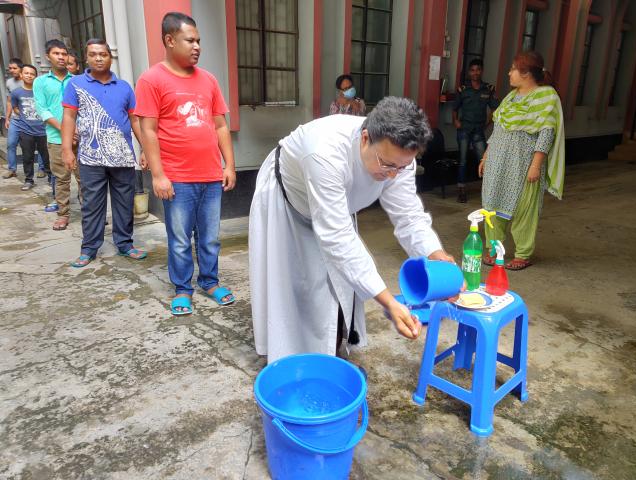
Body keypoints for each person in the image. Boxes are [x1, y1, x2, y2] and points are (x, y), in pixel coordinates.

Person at [250, 96, 457, 364]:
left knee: (337, 285)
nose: (393, 174)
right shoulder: (324, 152)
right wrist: (389, 303)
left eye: (402, 167)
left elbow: (409, 216)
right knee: (295, 286)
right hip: (288, 201)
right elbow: (338, 239)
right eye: (387, 165)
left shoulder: (399, 157)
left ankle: (331, 353)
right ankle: (294, 363)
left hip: (334, 207)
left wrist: (434, 252)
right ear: (364, 139)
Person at [135, 12, 237, 316]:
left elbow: (220, 126)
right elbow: (148, 130)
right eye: (190, 40)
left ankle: (209, 281)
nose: (197, 47)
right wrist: (158, 175)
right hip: (176, 177)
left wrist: (229, 165)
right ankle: (182, 288)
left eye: (199, 41)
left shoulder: (208, 80)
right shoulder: (151, 80)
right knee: (180, 239)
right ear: (169, 40)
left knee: (210, 237)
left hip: (210, 175)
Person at [61, 39, 148, 268]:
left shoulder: (124, 87)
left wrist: (145, 150)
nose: (98, 58)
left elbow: (134, 120)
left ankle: (125, 244)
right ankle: (89, 248)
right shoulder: (76, 84)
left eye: (103, 54)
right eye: (93, 54)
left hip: (122, 156)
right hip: (90, 157)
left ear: (110, 57)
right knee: (91, 203)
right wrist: (67, 150)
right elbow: (68, 117)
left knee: (124, 202)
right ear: (86, 58)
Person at [479, 51, 565, 271]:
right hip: (498, 162)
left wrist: (536, 165)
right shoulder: (510, 97)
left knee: (523, 209)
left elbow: (547, 133)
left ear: (526, 73)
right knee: (492, 207)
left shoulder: (547, 97)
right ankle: (494, 249)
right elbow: (498, 128)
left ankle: (523, 254)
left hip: (523, 164)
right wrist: (486, 156)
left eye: (513, 69)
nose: (509, 73)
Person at [34, 39, 82, 230]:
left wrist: (78, 130)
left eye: (64, 54)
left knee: (84, 179)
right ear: (48, 56)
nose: (61, 57)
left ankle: (91, 213)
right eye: (56, 54)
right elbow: (43, 110)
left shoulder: (77, 81)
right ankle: (63, 214)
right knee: (61, 179)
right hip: (56, 139)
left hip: (81, 139)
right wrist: (66, 129)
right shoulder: (41, 82)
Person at [452, 59, 500, 203]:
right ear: (469, 72)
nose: (475, 73)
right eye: (472, 70)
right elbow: (455, 108)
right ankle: (461, 190)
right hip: (464, 129)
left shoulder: (488, 89)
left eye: (478, 70)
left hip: (479, 130)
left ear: (481, 71)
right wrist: (456, 121)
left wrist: (488, 122)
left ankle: (488, 191)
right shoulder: (463, 89)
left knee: (484, 160)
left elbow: (494, 109)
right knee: (462, 160)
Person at [10, 64, 50, 191]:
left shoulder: (41, 91)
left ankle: (51, 177)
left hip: (43, 130)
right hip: (26, 131)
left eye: (32, 74)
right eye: (26, 73)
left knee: (47, 156)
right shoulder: (16, 92)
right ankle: (29, 180)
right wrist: (24, 117)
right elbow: (15, 108)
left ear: (36, 77)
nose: (29, 75)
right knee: (27, 157)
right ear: (21, 75)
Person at [3, 58, 23, 179]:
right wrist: (7, 118)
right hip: (15, 119)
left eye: (14, 68)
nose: (12, 70)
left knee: (37, 144)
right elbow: (9, 101)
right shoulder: (9, 82)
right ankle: (12, 169)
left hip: (30, 117)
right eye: (10, 68)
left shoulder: (29, 79)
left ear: (21, 68)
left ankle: (42, 168)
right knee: (11, 143)